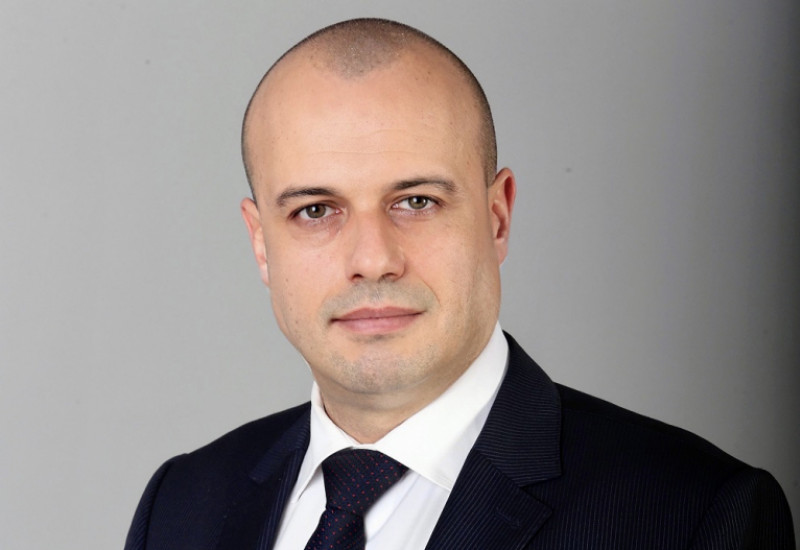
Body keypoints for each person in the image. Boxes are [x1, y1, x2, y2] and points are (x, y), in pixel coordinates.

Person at [124, 18, 794, 549]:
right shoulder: (180, 506)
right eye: (316, 211)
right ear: (261, 244)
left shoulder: (693, 517)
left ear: (497, 218)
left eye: (416, 201)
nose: (373, 259)